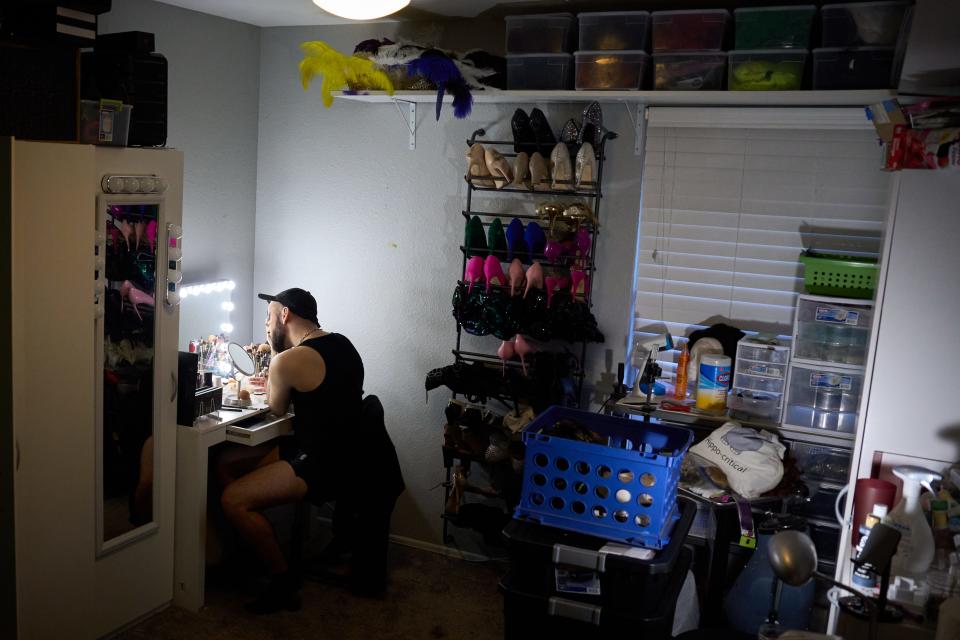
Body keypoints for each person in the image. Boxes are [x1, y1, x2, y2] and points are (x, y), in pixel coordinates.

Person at [219, 287, 403, 614]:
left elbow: (275, 409)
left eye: (269, 316)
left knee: (233, 499)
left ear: (285, 315)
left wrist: (273, 377)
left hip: (320, 461)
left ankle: (282, 581)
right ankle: (250, 551)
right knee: (227, 462)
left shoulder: (287, 360)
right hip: (350, 453)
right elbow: (321, 393)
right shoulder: (343, 344)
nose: (266, 324)